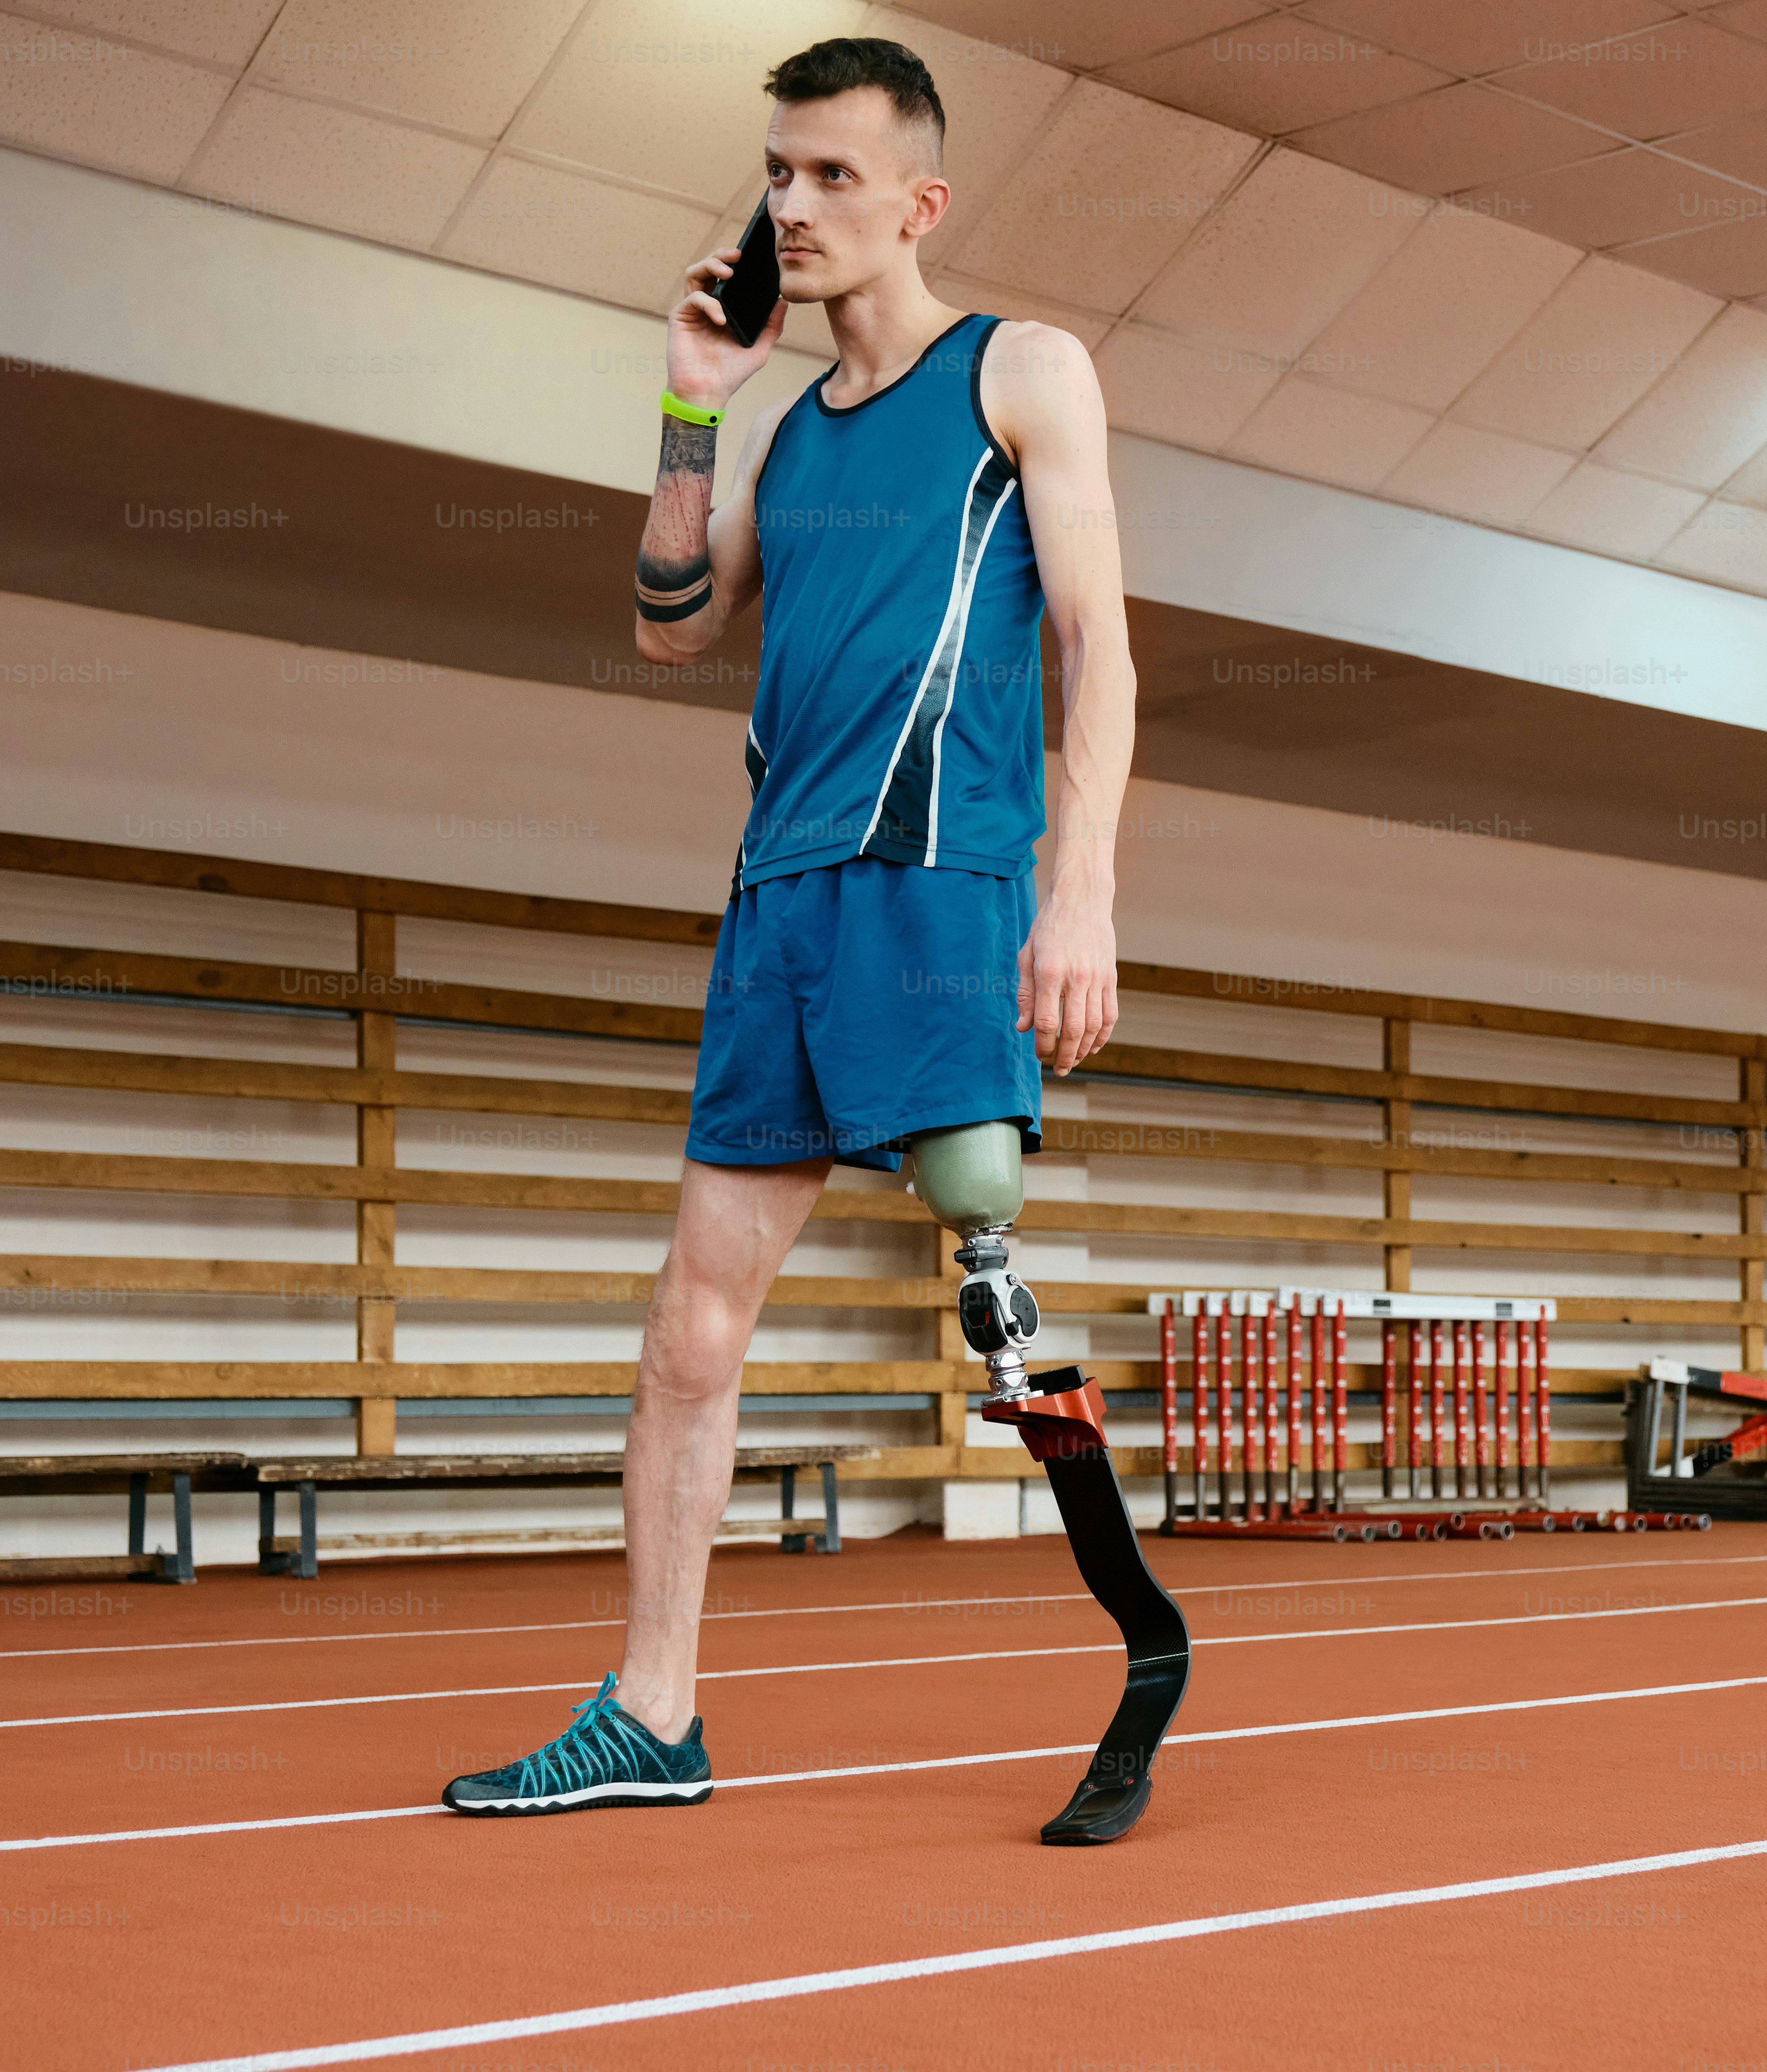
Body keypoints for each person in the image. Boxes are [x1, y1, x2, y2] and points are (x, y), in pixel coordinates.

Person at [445, 36, 1137, 1814]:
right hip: (779, 894)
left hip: (938, 872)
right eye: (776, 173)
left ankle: (1118, 1588)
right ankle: (653, 1714)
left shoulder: (1021, 371)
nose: (793, 205)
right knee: (691, 1329)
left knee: (979, 1230)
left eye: (832, 176)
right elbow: (673, 620)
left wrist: (1079, 892)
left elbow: (1095, 648)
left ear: (920, 200)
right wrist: (689, 397)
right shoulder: (774, 426)